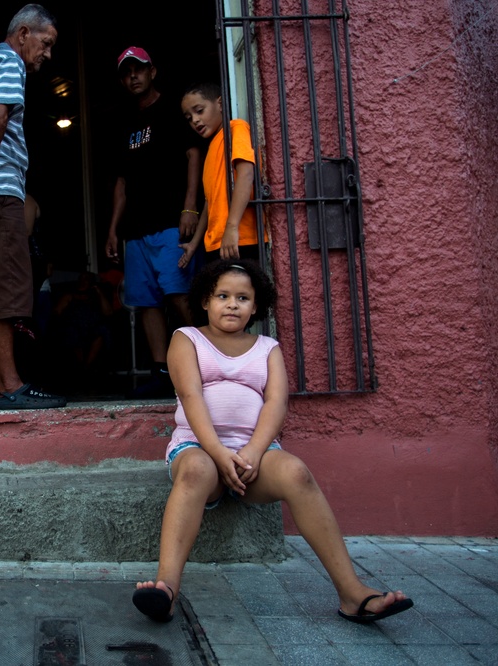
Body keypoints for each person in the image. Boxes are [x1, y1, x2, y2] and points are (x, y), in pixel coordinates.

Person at [132, 259, 414, 625]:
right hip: (199, 448)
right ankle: (166, 589)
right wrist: (218, 453)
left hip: (256, 455)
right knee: (196, 471)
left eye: (243, 297)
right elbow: (191, 396)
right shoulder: (188, 339)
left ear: (256, 306)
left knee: (296, 473)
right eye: (222, 295)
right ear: (205, 300)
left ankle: (352, 593)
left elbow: (276, 403)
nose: (232, 304)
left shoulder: (267, 347)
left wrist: (251, 452)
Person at [0, 4, 65, 410]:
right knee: (4, 286)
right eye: (46, 43)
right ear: (23, 34)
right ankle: (10, 384)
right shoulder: (8, 61)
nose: (47, 54)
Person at [105, 47, 204, 399]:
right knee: (146, 302)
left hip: (170, 223)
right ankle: (163, 373)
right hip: (135, 229)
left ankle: (209, 366)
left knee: (179, 294)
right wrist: (113, 229)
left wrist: (190, 207)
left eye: (139, 70)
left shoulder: (173, 110)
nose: (133, 77)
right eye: (126, 72)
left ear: (152, 72)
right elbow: (121, 182)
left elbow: (193, 155)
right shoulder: (123, 120)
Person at [179, 82, 264, 264]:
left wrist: (232, 227)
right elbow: (210, 202)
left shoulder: (236, 128)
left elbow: (246, 174)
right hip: (218, 242)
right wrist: (194, 244)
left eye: (199, 110)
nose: (194, 120)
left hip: (241, 239)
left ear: (220, 104)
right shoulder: (211, 147)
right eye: (188, 117)